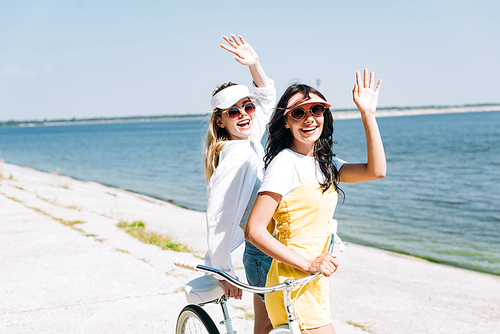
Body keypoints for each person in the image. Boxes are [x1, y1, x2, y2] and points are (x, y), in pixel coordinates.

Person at [245, 69, 386, 334]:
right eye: (298, 113)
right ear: (286, 121)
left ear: (324, 115)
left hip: (315, 282)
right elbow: (254, 231)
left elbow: (376, 171)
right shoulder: (284, 164)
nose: (309, 118)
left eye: (316, 110)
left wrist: (367, 114)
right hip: (293, 280)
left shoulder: (325, 164)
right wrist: (309, 264)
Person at [203, 34, 276, 333]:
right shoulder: (234, 155)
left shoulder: (247, 140)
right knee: (271, 321)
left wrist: (255, 64)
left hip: (266, 243)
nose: (245, 114)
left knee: (267, 322)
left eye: (248, 107)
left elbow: (267, 97)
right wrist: (222, 270)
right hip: (260, 249)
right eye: (234, 111)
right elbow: (218, 217)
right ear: (221, 121)